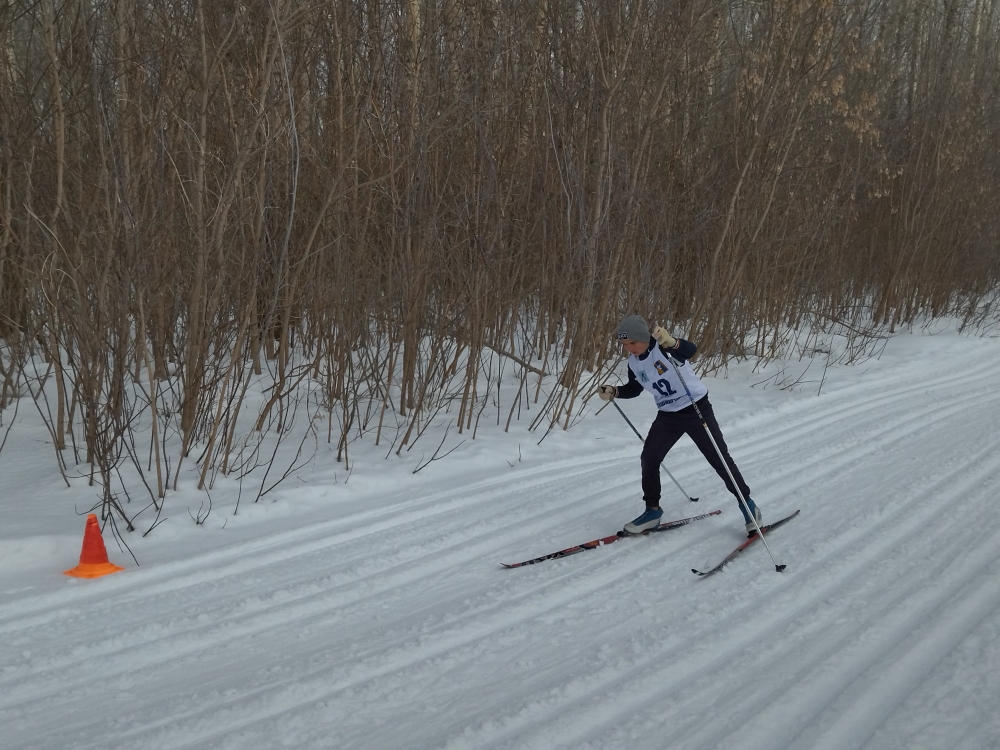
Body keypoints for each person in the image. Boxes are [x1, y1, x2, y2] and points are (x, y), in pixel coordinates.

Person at [597, 314, 763, 537]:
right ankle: (652, 511)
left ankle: (749, 507)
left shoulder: (664, 348)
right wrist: (615, 391)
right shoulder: (633, 363)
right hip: (668, 416)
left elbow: (689, 350)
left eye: (633, 342)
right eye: (625, 344)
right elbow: (635, 389)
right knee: (649, 458)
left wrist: (672, 341)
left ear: (644, 337)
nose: (630, 348)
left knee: (719, 459)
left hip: (696, 408)